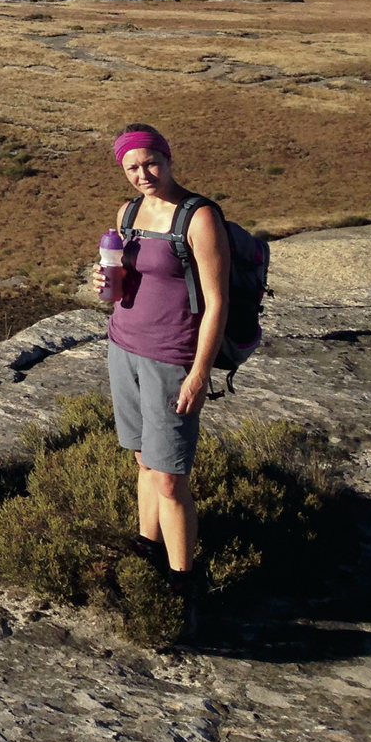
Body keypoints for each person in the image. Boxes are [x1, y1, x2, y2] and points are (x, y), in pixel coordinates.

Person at [100, 123, 229, 616]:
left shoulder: (199, 217)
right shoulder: (128, 212)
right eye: (132, 167)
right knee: (143, 460)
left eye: (151, 162)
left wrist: (199, 373)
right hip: (123, 346)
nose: (143, 174)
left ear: (168, 158)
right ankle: (147, 550)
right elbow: (129, 277)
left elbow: (217, 302)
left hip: (172, 356)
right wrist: (105, 279)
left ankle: (183, 585)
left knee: (171, 477)